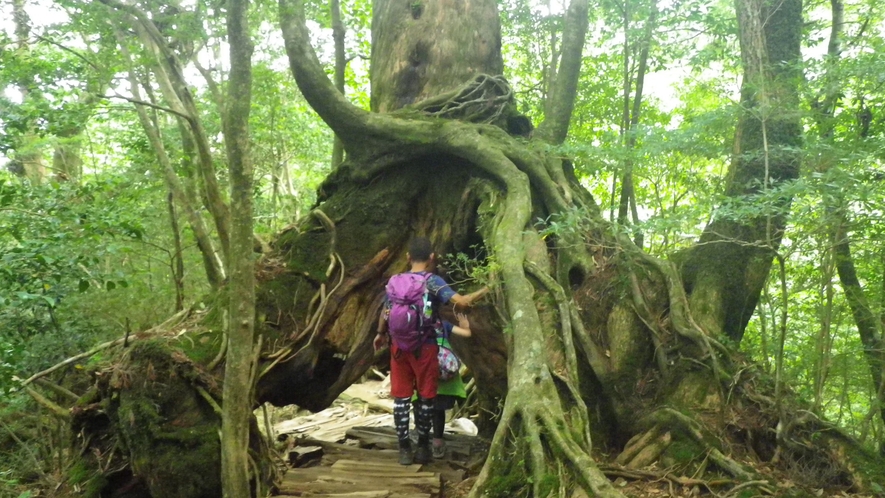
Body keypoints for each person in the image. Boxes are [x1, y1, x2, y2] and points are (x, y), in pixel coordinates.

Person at [374, 237, 487, 465]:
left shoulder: (395, 281)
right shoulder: (433, 282)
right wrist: (487, 287)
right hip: (425, 346)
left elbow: (386, 309)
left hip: (398, 347)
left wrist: (380, 334)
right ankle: (424, 448)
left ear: (408, 257)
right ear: (432, 257)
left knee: (401, 399)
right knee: (426, 398)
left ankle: (404, 449)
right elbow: (462, 303)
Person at [430, 312, 471, 459]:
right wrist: (465, 326)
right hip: (444, 372)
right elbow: (466, 334)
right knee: (438, 410)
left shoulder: (416, 324)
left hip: (424, 370)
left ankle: (419, 439)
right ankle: (437, 444)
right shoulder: (444, 325)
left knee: (422, 405)